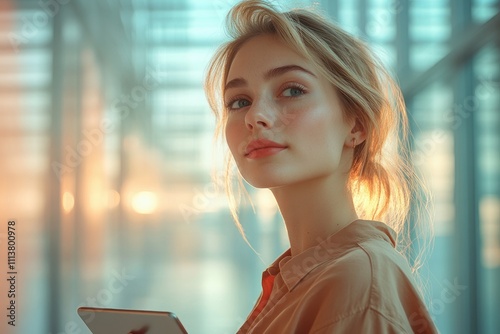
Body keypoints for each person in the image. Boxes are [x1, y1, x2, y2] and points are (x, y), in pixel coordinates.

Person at [204, 1, 438, 333]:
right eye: (240, 101)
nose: (255, 116)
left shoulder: (357, 280)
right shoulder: (301, 277)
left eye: (292, 90)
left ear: (356, 124)